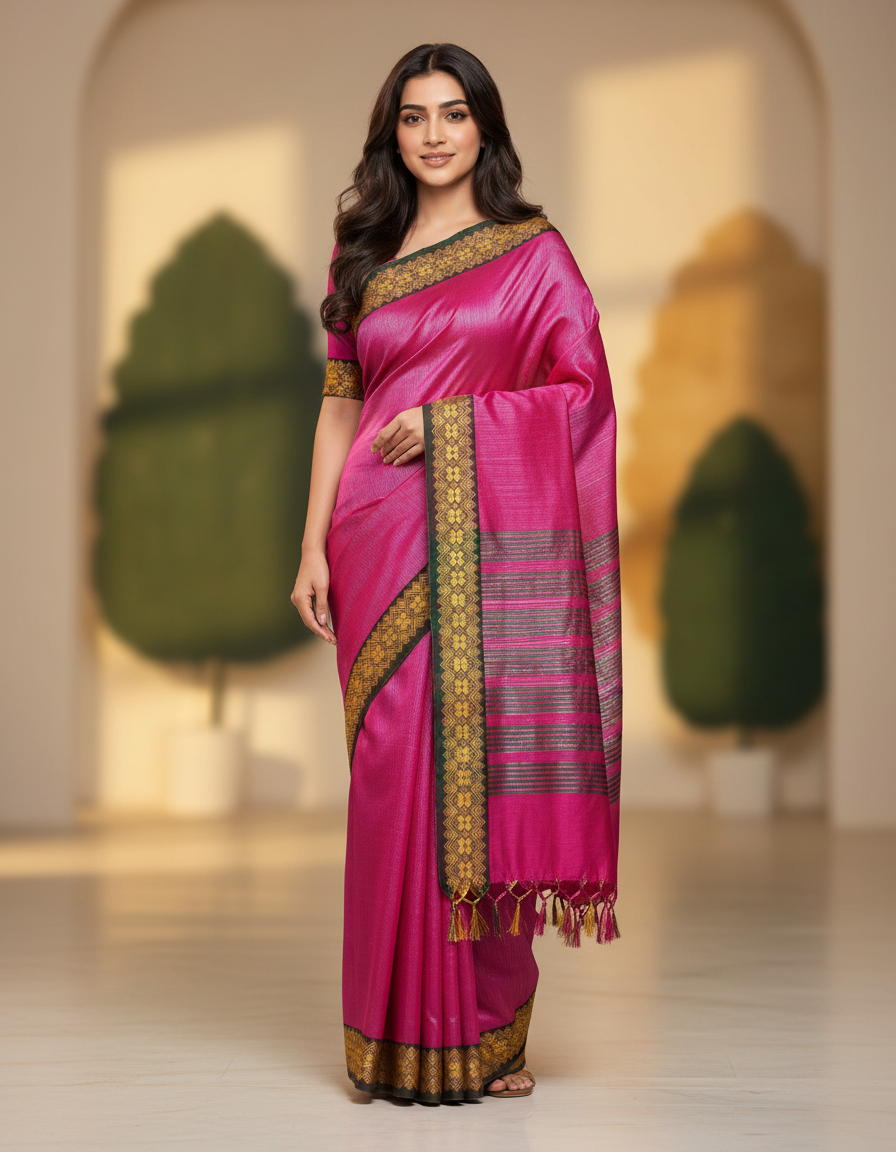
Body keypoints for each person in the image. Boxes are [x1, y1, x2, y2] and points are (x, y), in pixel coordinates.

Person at [291, 42, 621, 1105]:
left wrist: (453, 422)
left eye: (453, 114)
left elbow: (580, 394)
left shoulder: (533, 254)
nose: (433, 135)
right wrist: (309, 544)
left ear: (485, 127)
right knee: (394, 773)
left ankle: (485, 1030)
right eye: (413, 116)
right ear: (391, 133)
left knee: (477, 767)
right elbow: (340, 405)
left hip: (483, 539)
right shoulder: (361, 251)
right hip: (374, 536)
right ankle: (393, 1031)